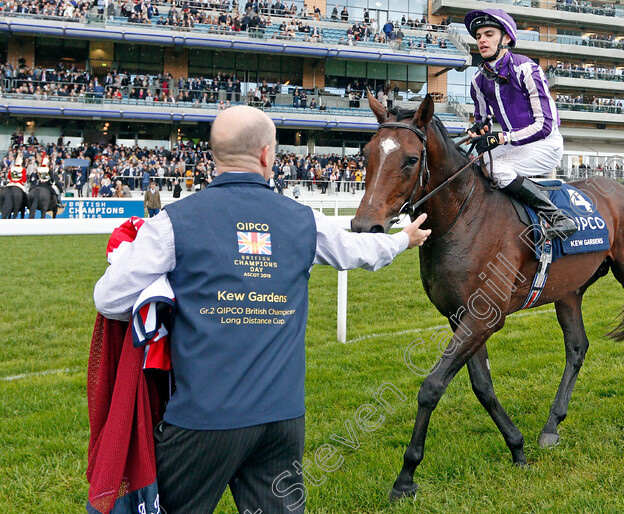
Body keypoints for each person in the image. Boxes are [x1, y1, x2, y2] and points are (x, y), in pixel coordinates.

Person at [93, 105, 431, 513]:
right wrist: (402, 239)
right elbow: (357, 251)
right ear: (268, 155)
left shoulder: (171, 223)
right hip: (281, 421)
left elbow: (109, 300)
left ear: (213, 157)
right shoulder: (303, 220)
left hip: (202, 420)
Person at [464, 9, 577, 240]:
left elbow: (544, 125)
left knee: (495, 169)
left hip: (546, 143)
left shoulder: (527, 69)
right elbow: (482, 120)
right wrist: (479, 130)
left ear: (506, 38)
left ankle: (558, 217)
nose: (482, 40)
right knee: (471, 165)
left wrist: (501, 138)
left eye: (489, 34)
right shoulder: (478, 80)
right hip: (515, 144)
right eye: (478, 36)